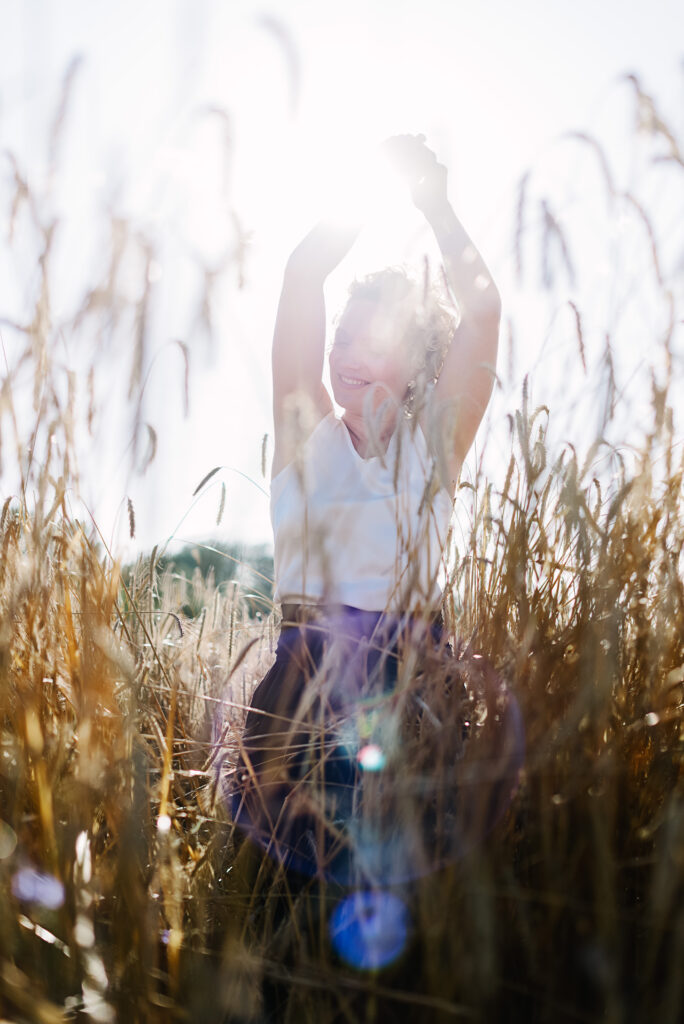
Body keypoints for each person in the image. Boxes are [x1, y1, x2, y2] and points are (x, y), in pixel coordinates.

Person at [229, 135, 502, 885]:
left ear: (419, 360)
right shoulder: (302, 432)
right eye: (343, 333)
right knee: (279, 911)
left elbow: (482, 312)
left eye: (372, 337)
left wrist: (435, 206)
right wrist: (363, 190)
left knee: (403, 916)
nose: (346, 348)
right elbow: (302, 274)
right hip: (297, 696)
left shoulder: (435, 448)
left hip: (411, 695)